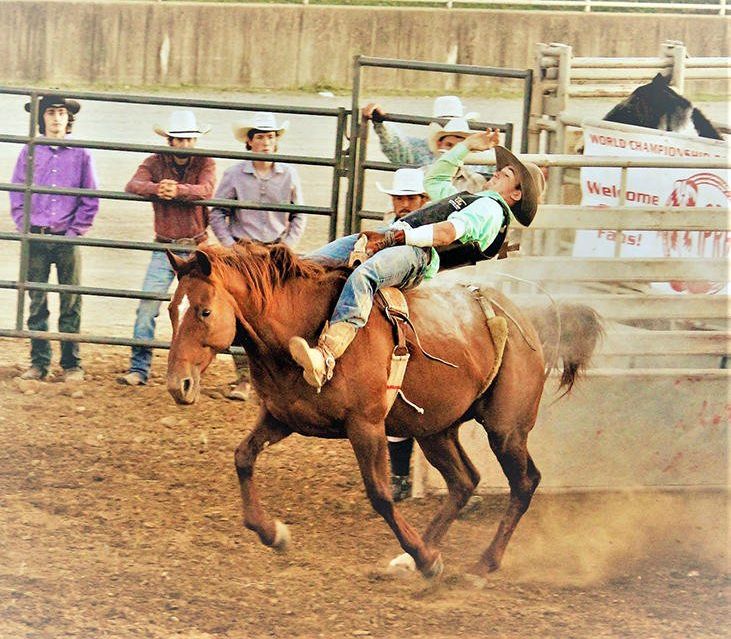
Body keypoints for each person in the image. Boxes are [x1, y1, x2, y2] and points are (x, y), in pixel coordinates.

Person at [288, 130, 545, 395]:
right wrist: (465, 147)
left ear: (515, 195)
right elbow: (435, 179)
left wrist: (398, 237)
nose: (499, 172)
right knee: (313, 262)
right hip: (399, 239)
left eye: (508, 174)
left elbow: (446, 233)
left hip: (419, 254)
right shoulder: (475, 201)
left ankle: (327, 356)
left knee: (366, 275)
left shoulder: (490, 210)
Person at [209, 112, 305, 401]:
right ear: (249, 142)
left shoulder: (288, 173)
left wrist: (286, 247)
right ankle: (243, 378)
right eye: (260, 137)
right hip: (243, 252)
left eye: (271, 137)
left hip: (275, 252)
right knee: (242, 315)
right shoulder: (234, 174)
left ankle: (278, 378)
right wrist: (230, 246)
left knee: (279, 314)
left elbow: (299, 214)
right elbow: (217, 211)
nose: (266, 142)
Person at [117, 110, 215, 387]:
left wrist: (178, 191)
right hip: (165, 246)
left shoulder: (205, 162)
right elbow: (132, 184)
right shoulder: (154, 162)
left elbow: (207, 189)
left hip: (197, 245)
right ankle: (139, 367)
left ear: (194, 141)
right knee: (148, 304)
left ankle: (197, 368)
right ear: (170, 141)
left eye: (188, 140)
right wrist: (157, 188)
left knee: (205, 309)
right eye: (179, 140)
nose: (184, 145)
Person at [10, 94, 99, 382]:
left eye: (62, 112)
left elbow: (90, 197)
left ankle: (72, 363)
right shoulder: (30, 152)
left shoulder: (81, 154)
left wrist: (74, 231)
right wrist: (24, 225)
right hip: (36, 236)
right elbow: (17, 192)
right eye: (50, 112)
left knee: (70, 300)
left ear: (68, 118)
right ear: (42, 118)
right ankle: (39, 362)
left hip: (66, 236)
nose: (57, 117)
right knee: (37, 300)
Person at [375, 167, 430, 501]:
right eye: (400, 198)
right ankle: (399, 476)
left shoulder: (430, 230)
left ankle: (403, 477)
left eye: (411, 198)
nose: (405, 204)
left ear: (422, 199)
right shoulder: (392, 231)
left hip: (423, 310)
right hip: (397, 311)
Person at [362, 95, 478, 166]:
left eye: (459, 146)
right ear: (438, 143)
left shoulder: (476, 160)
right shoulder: (420, 151)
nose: (454, 151)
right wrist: (380, 121)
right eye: (449, 145)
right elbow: (395, 144)